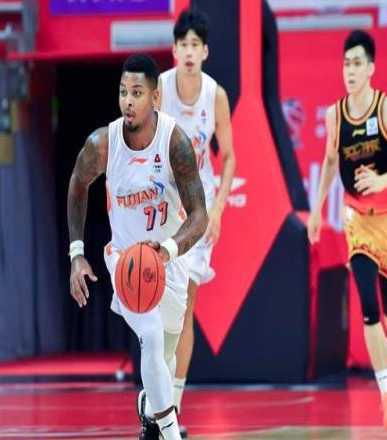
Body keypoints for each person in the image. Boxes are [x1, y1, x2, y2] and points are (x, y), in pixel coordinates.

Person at [67, 54, 207, 440]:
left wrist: (168, 250)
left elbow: (199, 215)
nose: (128, 101)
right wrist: (77, 253)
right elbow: (78, 184)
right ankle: (171, 434)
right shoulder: (103, 143)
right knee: (151, 334)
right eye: (123, 92)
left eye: (137, 93)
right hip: (127, 260)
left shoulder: (174, 142)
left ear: (155, 97)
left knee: (163, 352)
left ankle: (149, 408)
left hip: (168, 260)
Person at [308, 29, 387, 430]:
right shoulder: (335, 115)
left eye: (357, 64)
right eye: (346, 64)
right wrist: (317, 209)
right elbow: (330, 162)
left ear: (371, 68)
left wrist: (383, 180)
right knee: (368, 305)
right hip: (356, 219)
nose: (350, 71)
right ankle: (386, 395)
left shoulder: (386, 110)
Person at [155, 7, 236, 433]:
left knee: (185, 308)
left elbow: (230, 157)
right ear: (174, 50)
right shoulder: (160, 89)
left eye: (195, 45)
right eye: (182, 44)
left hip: (199, 208)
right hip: (162, 205)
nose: (188, 52)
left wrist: (218, 208)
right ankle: (155, 399)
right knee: (157, 310)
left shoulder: (215, 95)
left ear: (205, 51)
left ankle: (173, 409)